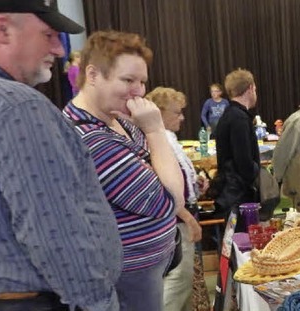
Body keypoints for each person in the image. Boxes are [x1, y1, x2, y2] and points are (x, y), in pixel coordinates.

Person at [0, 3, 122, 311]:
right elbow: (54, 231)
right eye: (48, 34)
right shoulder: (20, 106)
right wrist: (97, 303)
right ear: (2, 30)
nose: (58, 49)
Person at [63, 30, 184, 311]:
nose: (139, 91)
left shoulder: (118, 119)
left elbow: (164, 175)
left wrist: (158, 167)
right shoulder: (89, 138)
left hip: (149, 264)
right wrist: (154, 130)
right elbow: (168, 202)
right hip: (129, 274)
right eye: (128, 80)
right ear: (92, 75)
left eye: (142, 81)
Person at [145, 87, 206, 311]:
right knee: (177, 284)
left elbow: (177, 181)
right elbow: (162, 187)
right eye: (176, 112)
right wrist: (188, 218)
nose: (181, 117)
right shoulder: (156, 142)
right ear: (159, 113)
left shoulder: (167, 141)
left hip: (180, 219)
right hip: (176, 224)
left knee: (182, 283)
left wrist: (195, 183)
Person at [213, 68, 260, 231]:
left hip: (232, 192)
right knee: (241, 245)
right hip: (238, 196)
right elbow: (244, 161)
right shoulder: (238, 118)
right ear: (250, 88)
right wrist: (256, 172)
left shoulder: (230, 115)